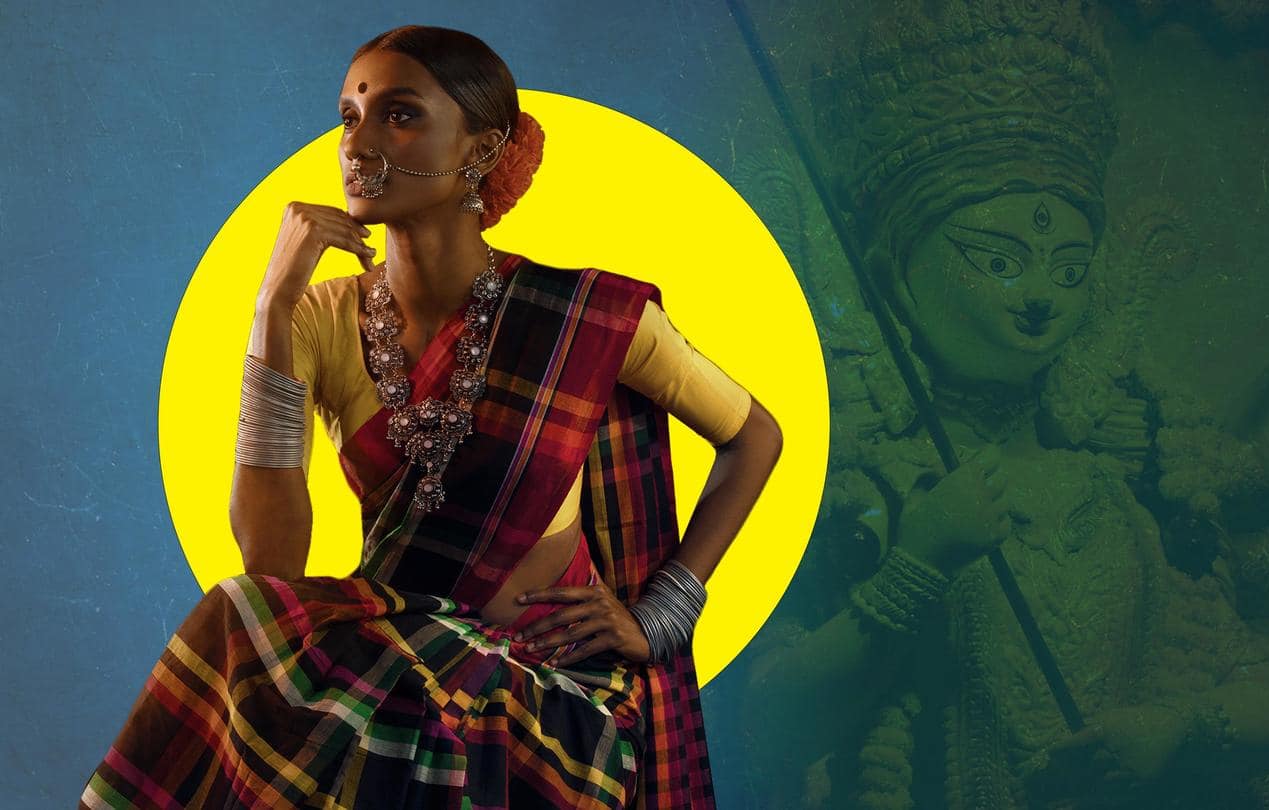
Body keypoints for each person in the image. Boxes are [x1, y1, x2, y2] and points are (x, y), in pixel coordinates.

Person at [79, 25, 782, 810]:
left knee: (406, 711)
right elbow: (271, 572)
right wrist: (271, 305)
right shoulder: (317, 317)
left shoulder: (584, 314)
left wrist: (662, 614)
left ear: (480, 151)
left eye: (400, 115)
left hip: (551, 700)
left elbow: (755, 436)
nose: (358, 144)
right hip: (393, 668)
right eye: (349, 115)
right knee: (242, 618)